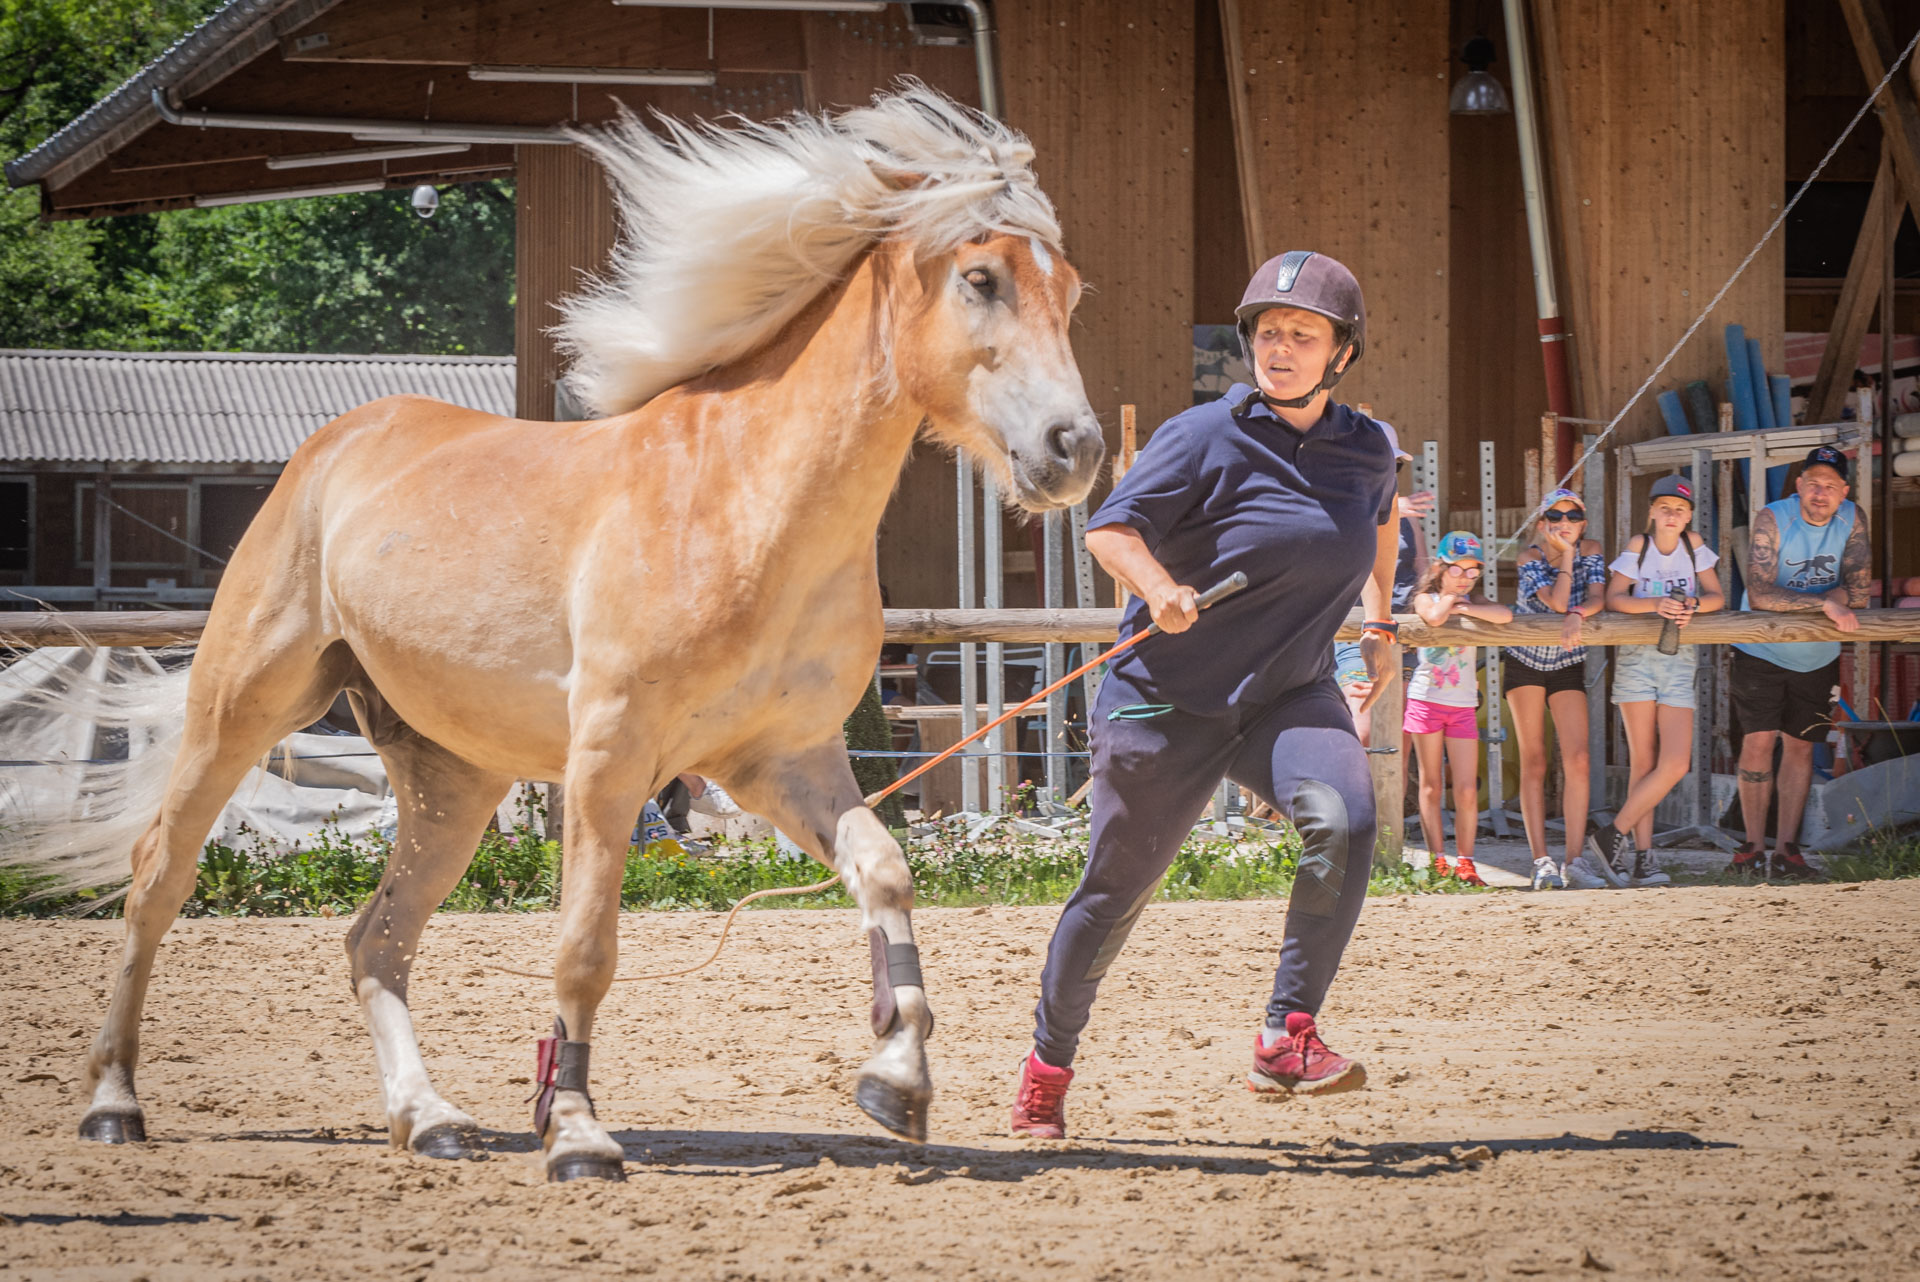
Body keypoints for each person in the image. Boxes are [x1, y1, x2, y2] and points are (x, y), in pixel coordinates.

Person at [1009, 251, 1402, 1139]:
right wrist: (1156, 586)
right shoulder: (1201, 435)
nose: (1281, 347)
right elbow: (1111, 528)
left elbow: (1378, 523)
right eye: (1268, 332)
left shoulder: (1369, 447)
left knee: (1345, 820)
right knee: (1115, 894)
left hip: (1287, 698)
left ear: (1343, 352)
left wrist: (1381, 624)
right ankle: (1047, 1067)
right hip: (1165, 704)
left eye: (1304, 334)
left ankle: (1285, 1036)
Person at [1726, 445, 1869, 879]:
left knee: (1801, 747)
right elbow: (1760, 592)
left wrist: (1831, 602)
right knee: (1758, 743)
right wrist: (1826, 604)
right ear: (1799, 486)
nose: (1820, 492)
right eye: (1813, 483)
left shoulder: (1852, 519)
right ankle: (1751, 849)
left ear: (1843, 491)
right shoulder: (1774, 517)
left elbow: (1860, 593)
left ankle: (1787, 852)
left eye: (1830, 485)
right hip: (1761, 649)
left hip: (1816, 655)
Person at [1586, 476, 1724, 886]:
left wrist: (1693, 604)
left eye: (1680, 509)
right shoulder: (1638, 546)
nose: (1672, 515)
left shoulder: (1693, 545)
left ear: (1689, 517)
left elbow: (1717, 595)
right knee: (1643, 762)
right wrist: (1655, 604)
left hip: (1679, 659)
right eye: (1664, 507)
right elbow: (1614, 597)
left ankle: (1614, 834)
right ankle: (1643, 859)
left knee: (1676, 762)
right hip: (1636, 660)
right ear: (1651, 511)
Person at [1505, 489, 1608, 890]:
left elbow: (1596, 598)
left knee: (1578, 759)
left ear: (1583, 524)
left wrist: (1580, 613)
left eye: (1572, 516)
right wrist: (1566, 555)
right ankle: (1541, 861)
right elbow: (1556, 601)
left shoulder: (1594, 549)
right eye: (1554, 515)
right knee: (1534, 761)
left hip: (1566, 661)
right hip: (1525, 660)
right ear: (1542, 521)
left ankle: (1575, 861)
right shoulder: (1529, 556)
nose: (1563, 522)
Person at [1404, 531, 1511, 886]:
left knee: (1466, 789)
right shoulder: (1425, 596)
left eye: (1473, 572)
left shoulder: (1473, 599)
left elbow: (1505, 615)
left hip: (1463, 705)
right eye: (1458, 570)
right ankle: (1438, 860)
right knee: (1432, 785)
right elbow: (1433, 618)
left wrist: (1468, 605)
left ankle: (1466, 862)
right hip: (1425, 701)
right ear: (1440, 567)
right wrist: (1451, 599)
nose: (1465, 579)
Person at [1335, 491, 1432, 742]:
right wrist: (1385, 509)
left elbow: (1422, 571)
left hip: (1402, 631)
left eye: (1396, 466)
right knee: (1363, 733)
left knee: (1397, 741)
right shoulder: (1341, 505)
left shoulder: (1408, 515)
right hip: (1357, 629)